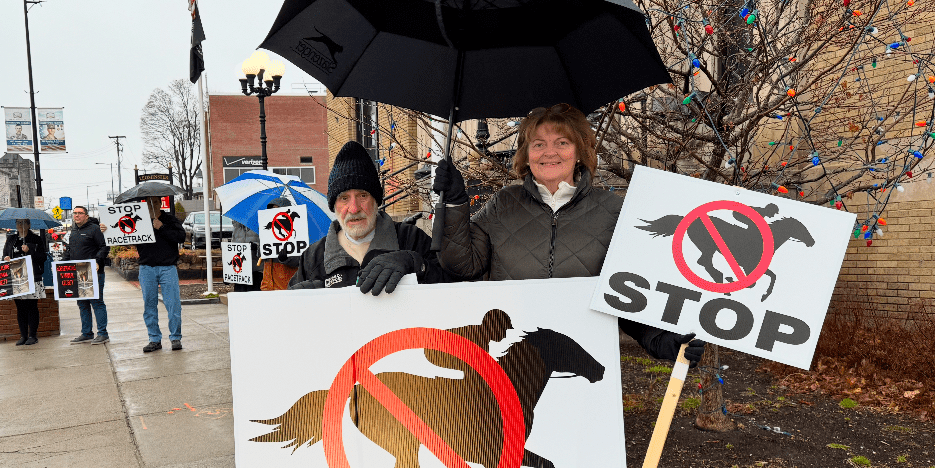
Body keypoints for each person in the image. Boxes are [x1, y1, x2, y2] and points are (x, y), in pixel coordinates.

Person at [434, 103, 704, 365]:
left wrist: (661, 338)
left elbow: (628, 293)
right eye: (538, 144)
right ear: (526, 154)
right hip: (512, 359)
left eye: (562, 142)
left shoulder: (612, 211)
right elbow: (462, 265)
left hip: (584, 358)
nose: (549, 152)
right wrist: (455, 203)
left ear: (579, 151)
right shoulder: (503, 204)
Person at [290, 140, 456, 294]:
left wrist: (417, 264)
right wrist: (301, 302)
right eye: (344, 198)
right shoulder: (313, 257)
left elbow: (453, 289)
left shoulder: (411, 239)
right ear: (334, 205)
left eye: (363, 195)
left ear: (376, 200)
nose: (354, 209)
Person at [101, 200, 187, 353]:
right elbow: (122, 233)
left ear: (160, 203)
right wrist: (107, 230)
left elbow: (181, 237)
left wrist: (162, 227)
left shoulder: (170, 219)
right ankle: (154, 339)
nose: (150, 205)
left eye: (153, 202)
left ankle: (175, 338)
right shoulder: (139, 221)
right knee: (149, 305)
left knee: (173, 305)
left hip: (168, 268)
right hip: (146, 268)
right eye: (147, 203)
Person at [64, 205, 110, 343]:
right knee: (82, 303)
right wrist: (61, 265)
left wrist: (97, 260)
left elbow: (104, 246)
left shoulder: (95, 229)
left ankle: (103, 333)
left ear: (86, 216)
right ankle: (87, 333)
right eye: (75, 213)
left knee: (96, 302)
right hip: (77, 272)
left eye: (80, 213)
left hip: (93, 272)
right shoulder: (72, 231)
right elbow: (68, 251)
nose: (76, 215)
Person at [3, 218, 47, 346]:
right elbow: (4, 255)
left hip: (32, 277)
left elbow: (43, 258)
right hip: (16, 278)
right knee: (20, 308)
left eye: (23, 223)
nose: (20, 225)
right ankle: (23, 335)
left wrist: (30, 251)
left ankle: (33, 335)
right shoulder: (11, 239)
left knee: (31, 306)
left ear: (28, 225)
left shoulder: (36, 239)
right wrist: (6, 258)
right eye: (18, 223)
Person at [259, 197, 300, 291]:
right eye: (271, 210)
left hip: (285, 289)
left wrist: (286, 258)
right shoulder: (266, 234)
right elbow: (263, 260)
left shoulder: (298, 234)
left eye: (277, 209)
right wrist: (260, 250)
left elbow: (301, 261)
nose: (274, 213)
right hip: (267, 288)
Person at [229, 217, 263, 293]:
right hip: (240, 272)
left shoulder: (259, 227)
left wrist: (256, 247)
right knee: (240, 300)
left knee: (255, 299)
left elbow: (267, 247)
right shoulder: (236, 228)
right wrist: (229, 272)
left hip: (256, 270)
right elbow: (232, 250)